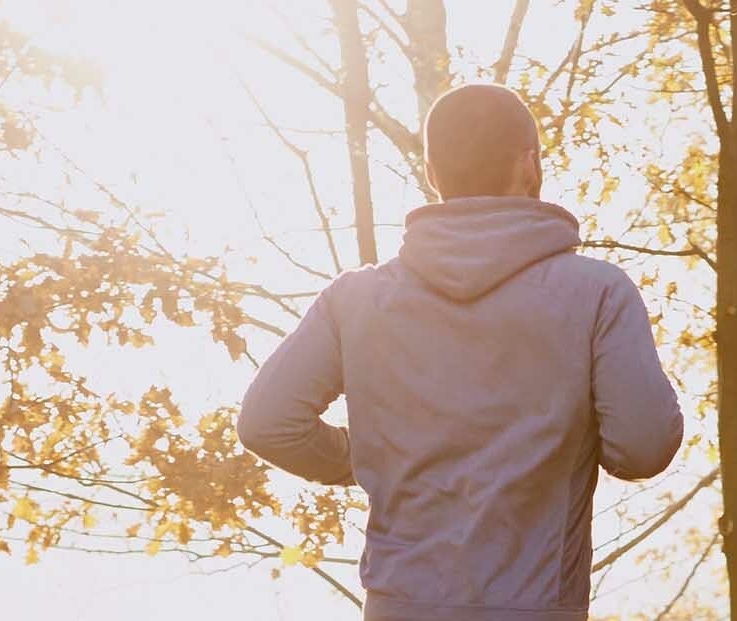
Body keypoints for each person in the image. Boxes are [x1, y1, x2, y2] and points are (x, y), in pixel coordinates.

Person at [238, 84, 684, 621]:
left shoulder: (356, 299)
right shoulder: (598, 294)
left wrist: (369, 457)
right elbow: (643, 447)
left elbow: (267, 423)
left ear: (432, 172)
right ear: (529, 163)